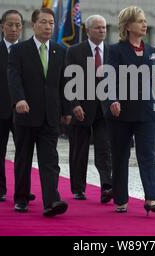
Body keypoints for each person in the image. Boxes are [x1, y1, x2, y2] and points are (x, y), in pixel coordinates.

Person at [8, 7, 71, 216]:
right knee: (23, 159)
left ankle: (51, 202)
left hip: (50, 116)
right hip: (26, 113)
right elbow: (14, 77)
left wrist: (68, 109)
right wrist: (19, 99)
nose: (48, 26)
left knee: (50, 160)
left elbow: (65, 83)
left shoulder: (60, 50)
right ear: (33, 24)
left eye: (51, 23)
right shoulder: (19, 51)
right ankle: (21, 198)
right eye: (43, 22)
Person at [105, 5, 155, 215]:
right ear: (128, 26)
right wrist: (113, 99)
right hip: (121, 112)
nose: (144, 24)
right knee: (120, 156)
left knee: (147, 155)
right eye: (140, 21)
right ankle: (120, 199)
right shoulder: (115, 50)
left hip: (147, 112)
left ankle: (152, 198)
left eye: (145, 20)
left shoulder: (151, 51)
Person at [0, 10, 35, 202]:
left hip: (21, 110)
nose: (14, 29)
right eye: (10, 25)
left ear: (22, 28)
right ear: (2, 27)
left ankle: (22, 190)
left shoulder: (27, 50)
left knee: (24, 152)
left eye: (18, 25)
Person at [65, 14, 113, 203]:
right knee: (79, 150)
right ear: (88, 30)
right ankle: (78, 188)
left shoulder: (111, 51)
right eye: (98, 28)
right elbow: (69, 80)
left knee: (104, 149)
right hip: (82, 109)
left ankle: (106, 187)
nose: (102, 30)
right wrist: (74, 104)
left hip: (105, 110)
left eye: (104, 28)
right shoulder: (75, 51)